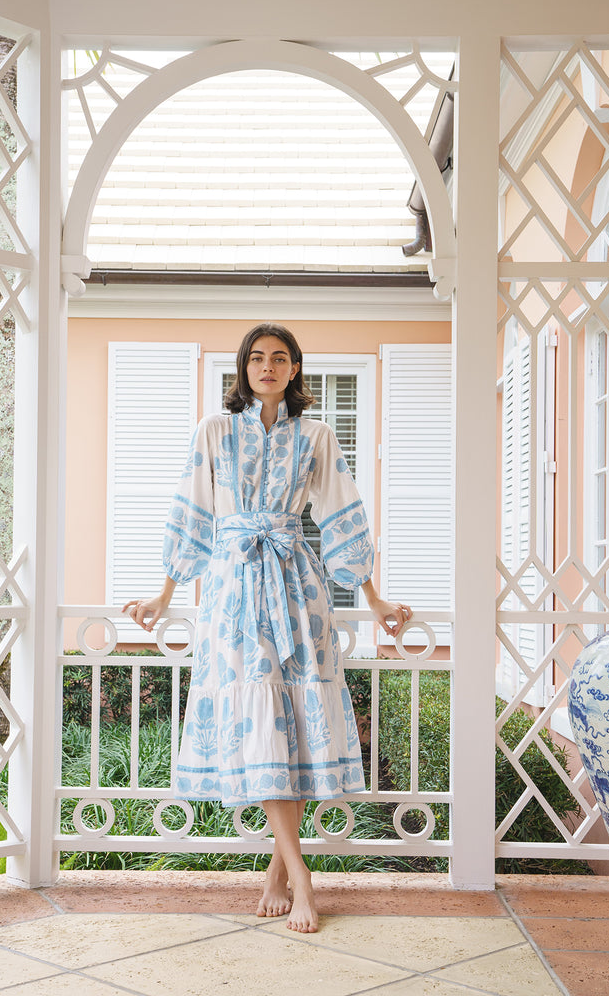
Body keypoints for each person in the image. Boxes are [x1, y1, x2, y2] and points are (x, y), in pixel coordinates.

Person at [123, 322, 412, 933]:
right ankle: (302, 875)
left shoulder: (317, 435)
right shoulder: (214, 431)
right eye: (257, 358)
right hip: (232, 590)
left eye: (280, 358)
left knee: (298, 724)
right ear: (244, 368)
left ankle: (279, 874)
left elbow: (342, 513)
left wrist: (374, 597)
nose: (268, 367)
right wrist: (165, 593)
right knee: (260, 722)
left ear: (295, 369)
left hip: (297, 586)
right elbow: (192, 514)